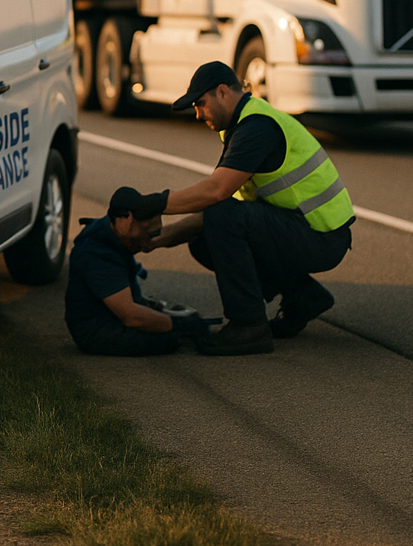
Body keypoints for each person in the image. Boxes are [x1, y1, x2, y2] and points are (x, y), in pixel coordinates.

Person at [148, 61, 354, 356]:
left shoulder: (256, 127)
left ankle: (248, 326)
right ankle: (304, 296)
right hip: (306, 231)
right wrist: (159, 239)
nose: (197, 114)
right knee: (205, 238)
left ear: (222, 92)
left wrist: (154, 204)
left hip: (322, 237)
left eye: (201, 104)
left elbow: (215, 193)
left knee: (221, 215)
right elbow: (222, 208)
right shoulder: (243, 124)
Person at [64, 187, 217, 356]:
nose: (146, 245)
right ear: (127, 219)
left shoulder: (115, 231)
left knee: (161, 322)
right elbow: (131, 316)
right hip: (96, 330)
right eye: (145, 234)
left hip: (111, 315)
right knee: (165, 339)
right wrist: (177, 325)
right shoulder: (96, 252)